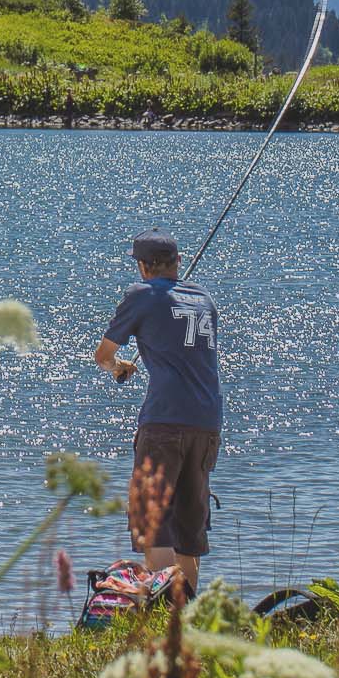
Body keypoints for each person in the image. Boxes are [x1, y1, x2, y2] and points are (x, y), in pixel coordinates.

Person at [93, 228, 221, 593]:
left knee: (153, 521)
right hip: (207, 424)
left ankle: (166, 614)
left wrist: (119, 367)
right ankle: (188, 613)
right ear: (177, 262)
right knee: (188, 528)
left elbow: (103, 356)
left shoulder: (141, 295)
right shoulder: (205, 300)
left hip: (165, 421)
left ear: (143, 267)